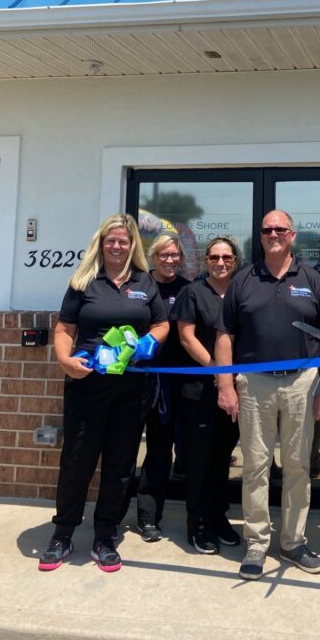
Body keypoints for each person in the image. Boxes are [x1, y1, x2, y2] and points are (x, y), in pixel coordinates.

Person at [38, 214, 169, 573]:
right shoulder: (83, 282)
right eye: (111, 240)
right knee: (78, 459)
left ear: (132, 246)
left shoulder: (145, 281)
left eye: (123, 241)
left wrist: (148, 343)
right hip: (87, 385)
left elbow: (161, 323)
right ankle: (62, 533)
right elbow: (65, 328)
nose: (117, 246)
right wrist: (65, 361)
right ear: (101, 243)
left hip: (132, 386)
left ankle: (105, 536)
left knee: (120, 463)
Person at [215, 210, 320, 580]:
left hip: (302, 382)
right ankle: (256, 542)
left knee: (298, 465)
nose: (273, 234)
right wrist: (225, 384)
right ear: (261, 235)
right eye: (267, 230)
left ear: (292, 235)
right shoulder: (244, 280)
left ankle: (294, 541)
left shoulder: (312, 280)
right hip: (254, 384)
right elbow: (224, 335)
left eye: (280, 229)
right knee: (255, 465)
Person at [172, 236, 242, 554]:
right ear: (205, 262)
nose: (220, 262)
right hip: (199, 391)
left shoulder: (241, 293)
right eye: (214, 257)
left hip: (235, 390)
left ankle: (219, 517)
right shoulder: (192, 292)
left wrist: (230, 378)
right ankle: (198, 524)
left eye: (226, 257)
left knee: (222, 457)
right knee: (199, 459)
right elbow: (186, 337)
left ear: (236, 261)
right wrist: (217, 369)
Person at [131, 231, 190, 542]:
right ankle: (112, 516)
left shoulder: (188, 289)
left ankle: (149, 518)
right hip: (136, 378)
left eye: (175, 255)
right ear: (152, 258)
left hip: (174, 383)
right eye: (164, 255)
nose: (170, 260)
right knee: (124, 448)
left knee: (159, 450)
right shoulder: (137, 286)